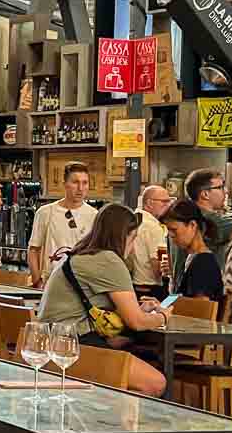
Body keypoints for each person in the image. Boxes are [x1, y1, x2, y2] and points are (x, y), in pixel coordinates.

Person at [35, 201, 168, 393]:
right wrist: (163, 316)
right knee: (155, 383)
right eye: (133, 238)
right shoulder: (109, 260)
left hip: (49, 342)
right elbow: (137, 322)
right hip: (70, 347)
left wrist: (140, 310)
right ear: (123, 237)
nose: (132, 246)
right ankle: (108, 419)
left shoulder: (77, 253)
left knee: (128, 348)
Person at [28, 161, 96, 276]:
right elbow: (33, 250)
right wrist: (37, 282)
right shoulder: (45, 213)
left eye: (85, 183)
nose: (80, 188)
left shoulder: (94, 215)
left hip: (81, 283)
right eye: (75, 182)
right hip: (50, 282)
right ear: (65, 183)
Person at [163, 198, 225, 304]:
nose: (171, 235)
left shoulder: (203, 262)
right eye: (168, 230)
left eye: (174, 230)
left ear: (192, 225)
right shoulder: (192, 257)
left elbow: (201, 307)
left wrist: (162, 308)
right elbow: (179, 295)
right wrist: (160, 305)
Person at [128, 180, 175, 286]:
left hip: (135, 285)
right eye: (164, 202)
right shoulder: (153, 227)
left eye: (169, 201)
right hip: (151, 287)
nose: (169, 205)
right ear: (149, 203)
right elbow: (159, 266)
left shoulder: (135, 219)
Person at [185, 167, 232, 258]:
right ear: (205, 194)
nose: (226, 191)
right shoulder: (210, 219)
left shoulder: (179, 217)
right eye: (220, 187)